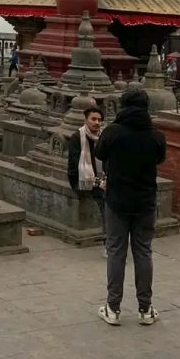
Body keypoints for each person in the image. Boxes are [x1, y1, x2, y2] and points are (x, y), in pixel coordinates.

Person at [95, 87, 166, 327]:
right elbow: (159, 159)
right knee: (143, 252)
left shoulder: (113, 132)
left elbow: (99, 152)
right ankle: (145, 308)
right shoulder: (156, 136)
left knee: (116, 251)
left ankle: (113, 308)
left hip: (117, 200)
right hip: (145, 201)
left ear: (123, 107)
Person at [67, 104, 106, 255]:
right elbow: (74, 164)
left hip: (102, 178)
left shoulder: (103, 136)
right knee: (105, 202)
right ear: (86, 120)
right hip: (84, 179)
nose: (97, 122)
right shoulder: (77, 137)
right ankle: (108, 243)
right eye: (93, 119)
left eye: (99, 120)